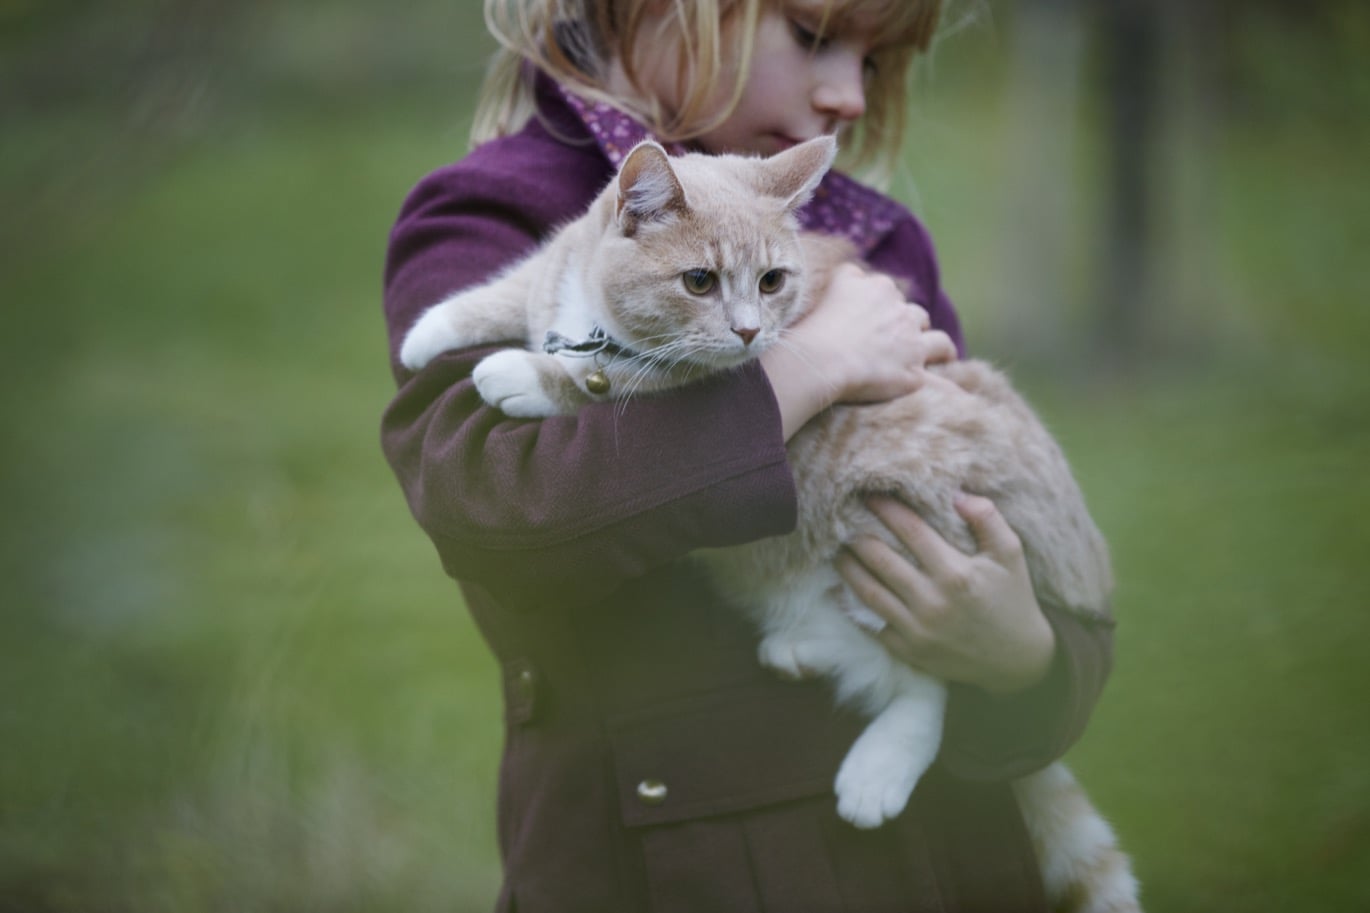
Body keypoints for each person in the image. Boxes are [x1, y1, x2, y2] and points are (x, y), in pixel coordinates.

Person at [380, 1, 1115, 910]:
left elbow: (1018, 536)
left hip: (948, 859)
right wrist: (808, 368)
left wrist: (1027, 660)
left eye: (876, 64)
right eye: (814, 37)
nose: (848, 94)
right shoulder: (496, 207)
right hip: (680, 865)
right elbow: (490, 506)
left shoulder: (874, 233)